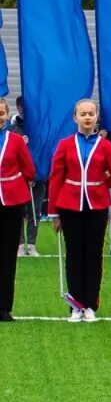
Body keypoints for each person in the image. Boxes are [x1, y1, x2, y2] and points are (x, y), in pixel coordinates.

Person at [48, 98, 111, 320]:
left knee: (93, 256)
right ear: (75, 118)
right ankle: (75, 305)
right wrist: (54, 213)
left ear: (97, 116)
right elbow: (56, 178)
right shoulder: (65, 144)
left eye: (91, 113)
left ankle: (90, 304)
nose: (87, 117)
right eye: (83, 114)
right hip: (69, 207)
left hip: (96, 207)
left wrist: (98, 184)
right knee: (74, 255)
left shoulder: (106, 146)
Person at [0, 123, 33, 319]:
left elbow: (28, 168)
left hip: (12, 202)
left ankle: (4, 306)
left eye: (1, 112)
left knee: (7, 255)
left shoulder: (16, 140)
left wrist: (13, 182)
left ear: (5, 115)